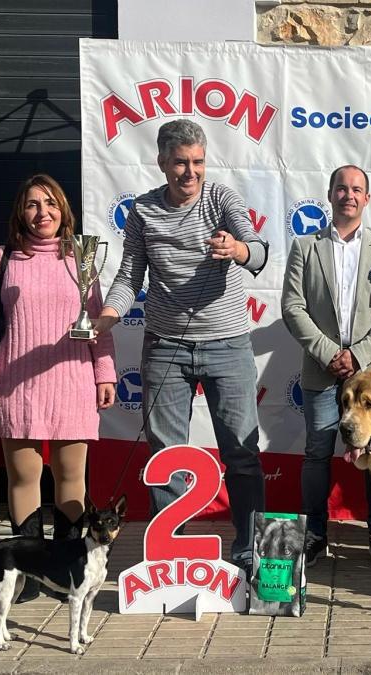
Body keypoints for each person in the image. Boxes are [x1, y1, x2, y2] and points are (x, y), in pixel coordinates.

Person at [94, 119, 268, 572]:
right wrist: (106, 320)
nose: (190, 172)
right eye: (180, 163)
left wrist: (238, 251)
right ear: (162, 163)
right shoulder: (144, 210)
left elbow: (258, 250)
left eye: (197, 162)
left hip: (227, 344)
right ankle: (171, 555)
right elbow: (130, 276)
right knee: (166, 457)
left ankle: (249, 552)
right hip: (166, 346)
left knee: (242, 454)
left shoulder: (222, 198)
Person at [0, 174, 117, 602]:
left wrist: (104, 372)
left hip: (72, 379)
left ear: (63, 210)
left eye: (51, 203)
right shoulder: (3, 258)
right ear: (21, 212)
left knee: (71, 479)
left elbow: (99, 324)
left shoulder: (81, 259)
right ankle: (29, 574)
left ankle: (66, 567)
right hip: (17, 381)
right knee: (24, 479)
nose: (43, 213)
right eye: (33, 204)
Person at [281, 164, 371, 568]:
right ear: (330, 194)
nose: (348, 195)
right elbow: (292, 305)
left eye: (356, 189)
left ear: (367, 198)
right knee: (317, 453)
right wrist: (328, 351)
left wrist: (359, 355)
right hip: (323, 371)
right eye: (341, 188)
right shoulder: (305, 247)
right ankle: (315, 531)